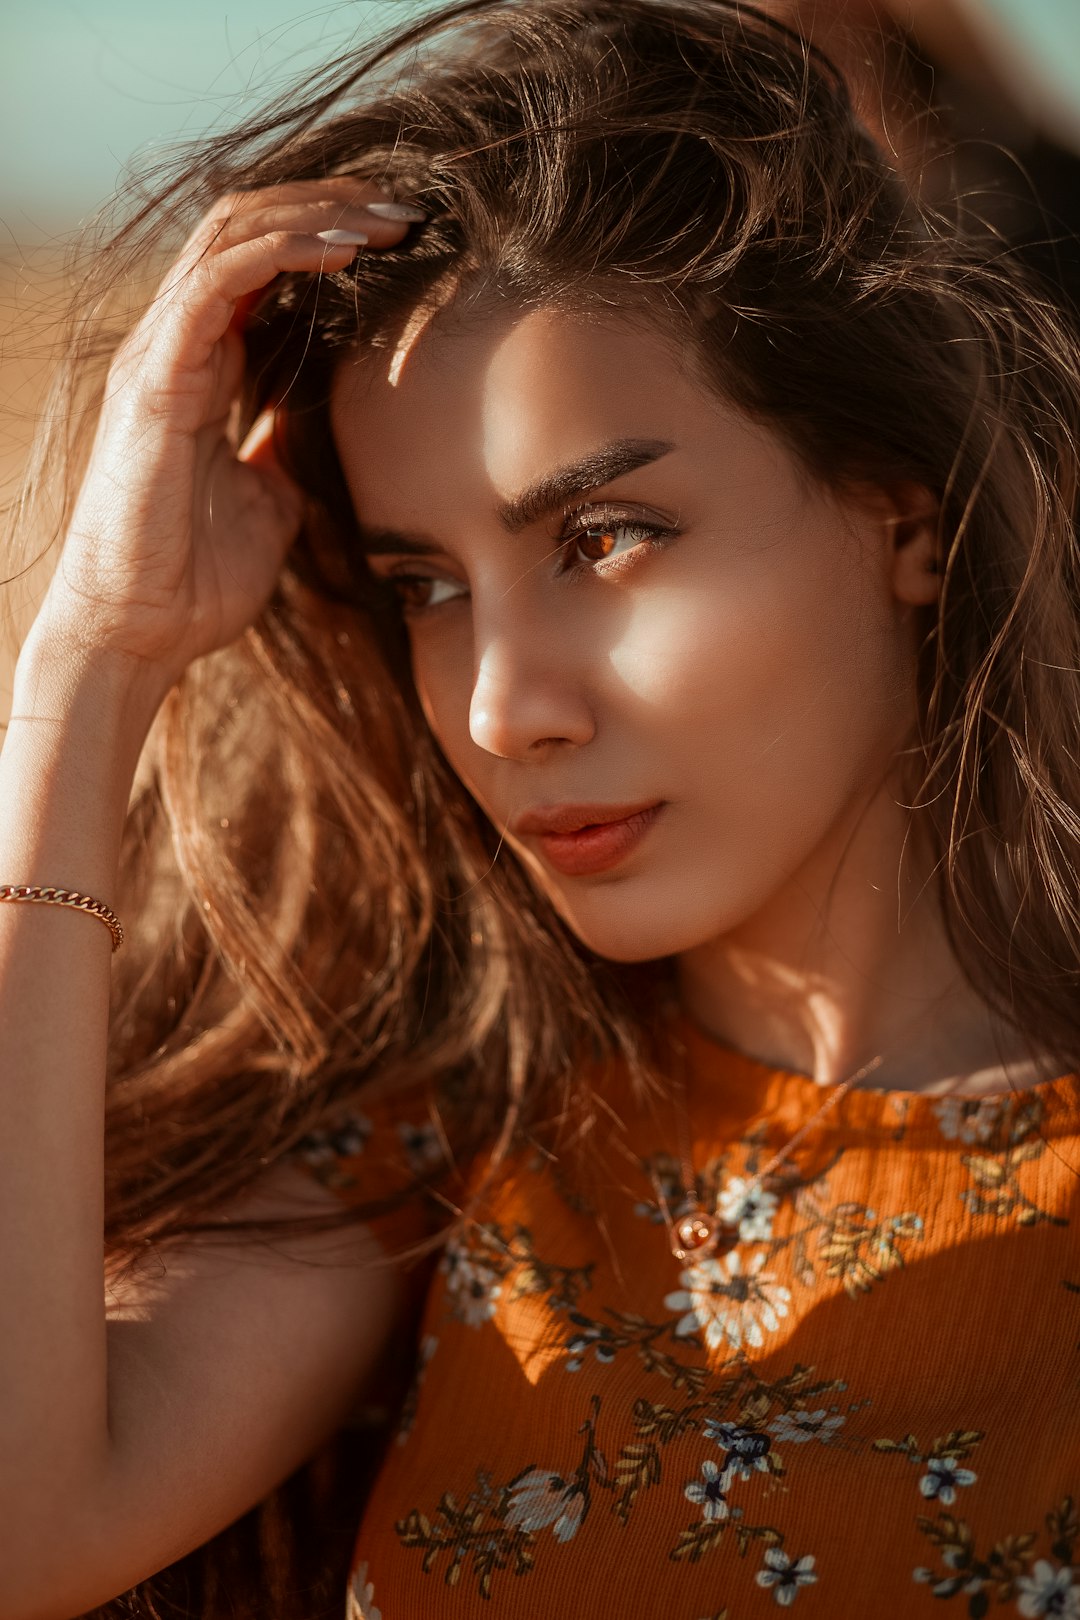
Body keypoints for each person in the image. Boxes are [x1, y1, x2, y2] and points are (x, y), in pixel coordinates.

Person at [1, 2, 1078, 1617]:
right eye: (423, 583)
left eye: (606, 537)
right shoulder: (454, 1132)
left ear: (901, 517)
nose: (501, 707)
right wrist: (90, 668)